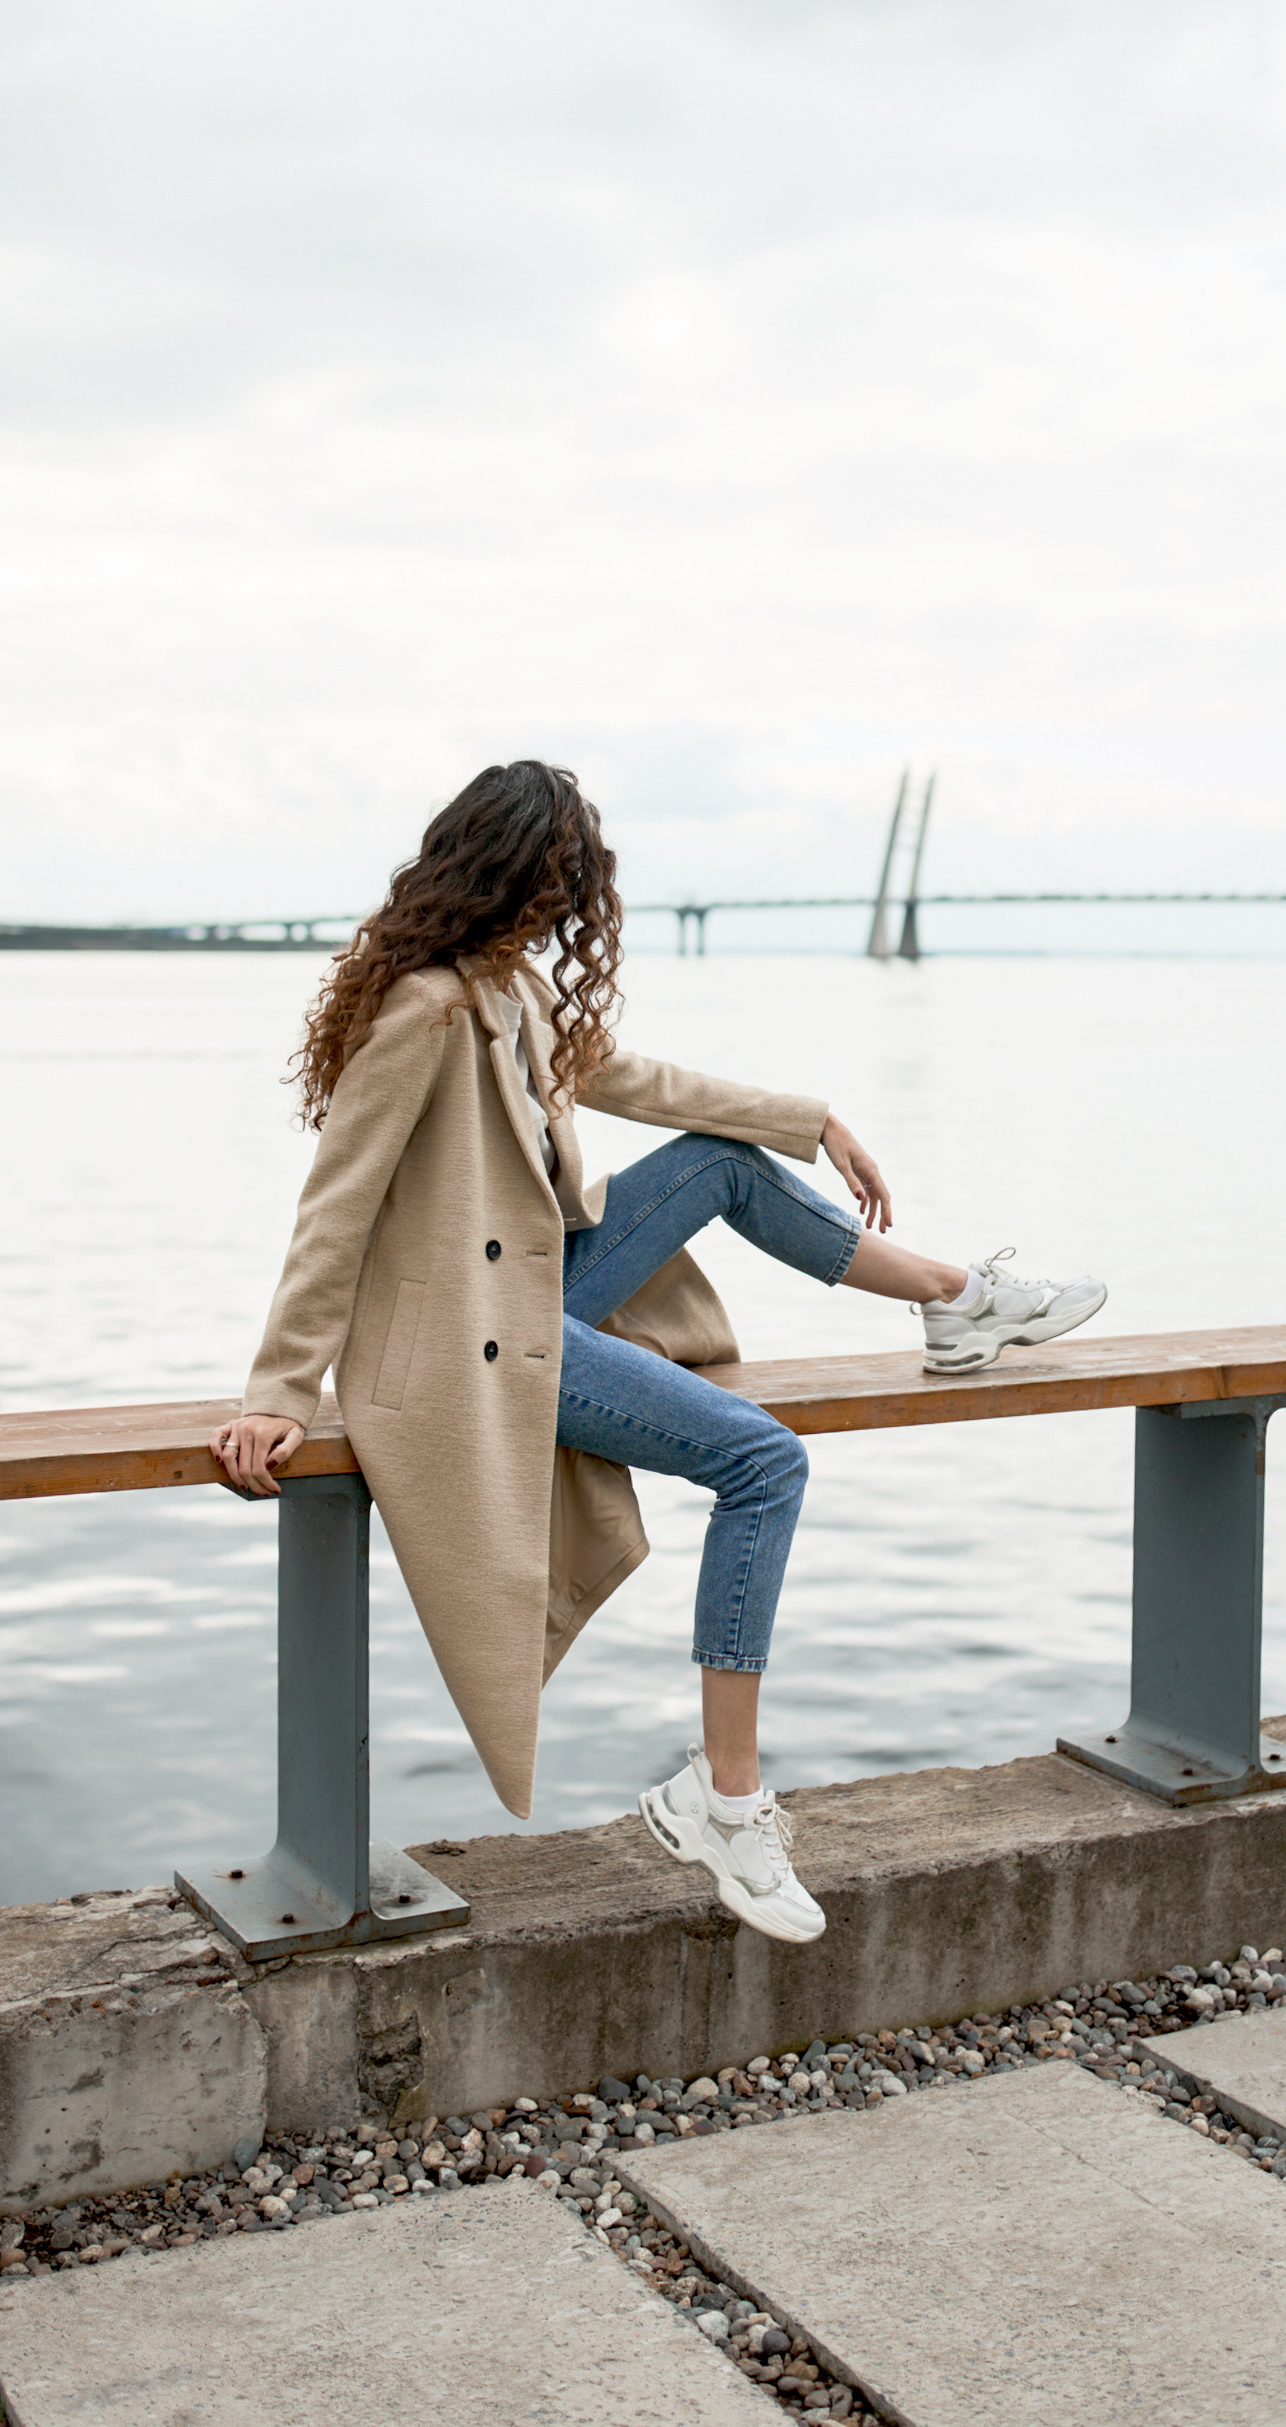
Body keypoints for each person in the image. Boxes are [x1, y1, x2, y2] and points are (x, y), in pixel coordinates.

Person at [211, 761, 1106, 1946]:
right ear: (497, 876)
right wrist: (281, 1389)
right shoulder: (424, 1009)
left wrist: (809, 1115)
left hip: (534, 1293)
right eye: (546, 883)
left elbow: (628, 1077)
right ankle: (724, 1799)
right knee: (764, 1465)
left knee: (724, 1161)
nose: (559, 910)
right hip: (469, 1344)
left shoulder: (508, 989)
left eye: (566, 889)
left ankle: (955, 1298)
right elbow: (338, 1201)